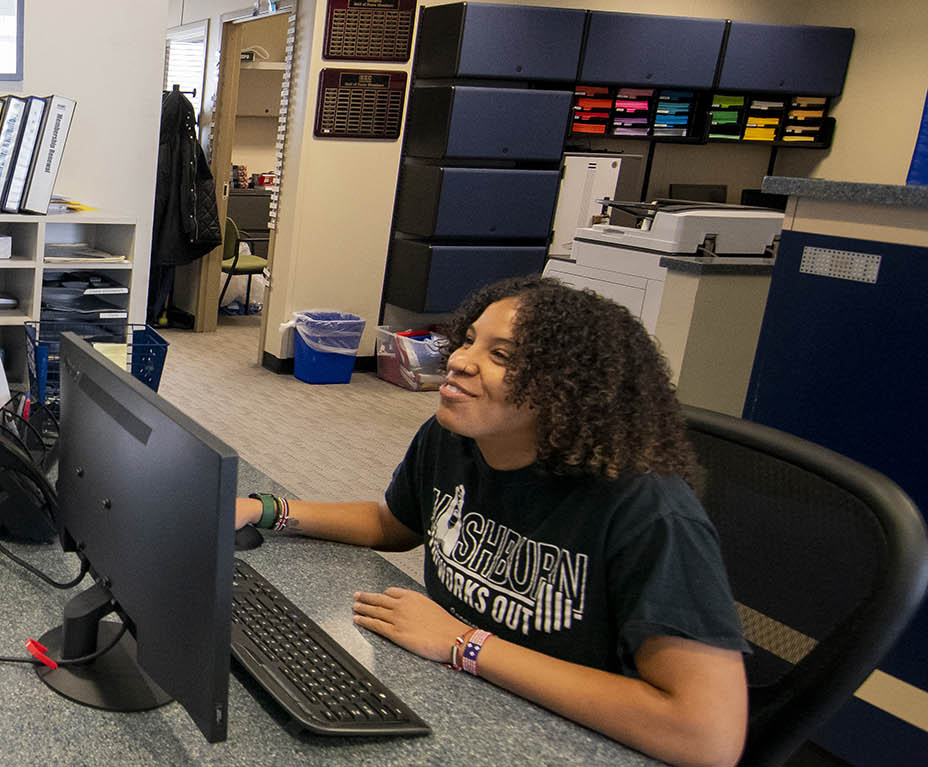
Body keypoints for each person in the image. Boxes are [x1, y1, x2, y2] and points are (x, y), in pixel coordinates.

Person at [239, 277, 747, 767]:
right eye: (468, 341)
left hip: (569, 737)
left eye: (501, 356)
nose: (459, 361)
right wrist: (265, 509)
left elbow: (707, 735)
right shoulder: (454, 438)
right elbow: (393, 524)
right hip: (463, 696)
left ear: (568, 390)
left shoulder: (650, 510)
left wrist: (465, 643)